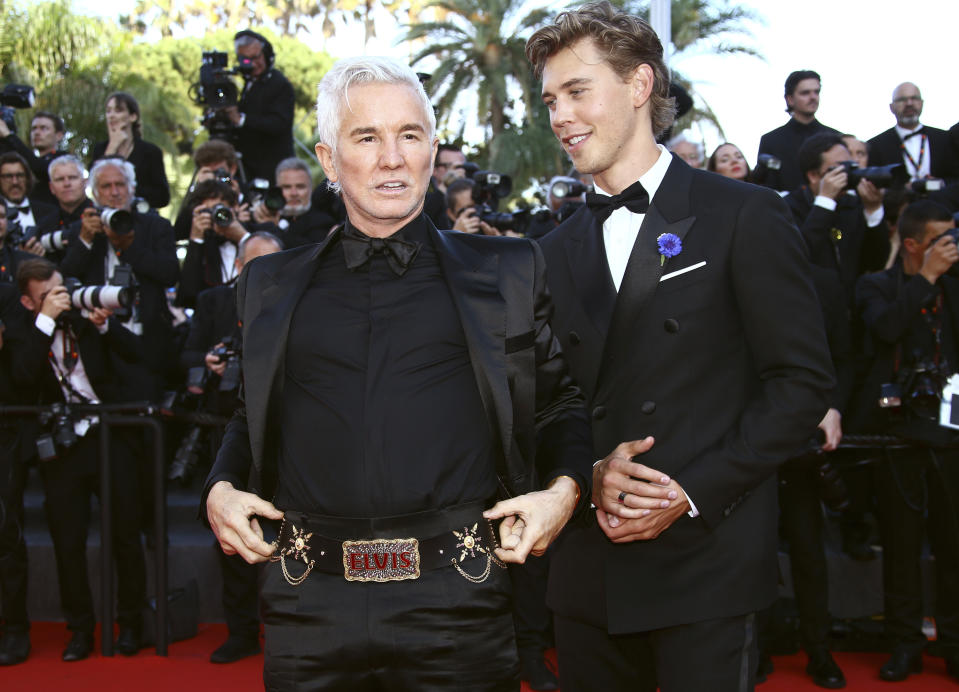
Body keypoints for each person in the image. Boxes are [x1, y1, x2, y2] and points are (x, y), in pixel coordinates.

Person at [204, 55, 594, 691]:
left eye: (409, 135)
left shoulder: (507, 272)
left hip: (459, 601)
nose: (392, 157)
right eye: (367, 137)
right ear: (329, 162)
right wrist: (219, 488)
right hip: (308, 603)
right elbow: (251, 416)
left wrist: (565, 490)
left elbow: (558, 404)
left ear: (432, 150)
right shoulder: (268, 286)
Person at [526, 4, 835, 690]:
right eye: (550, 99)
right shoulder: (546, 253)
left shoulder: (743, 215)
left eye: (577, 91)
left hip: (706, 566)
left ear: (639, 86)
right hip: (586, 573)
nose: (559, 116)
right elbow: (540, 403)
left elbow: (798, 383)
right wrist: (587, 471)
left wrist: (690, 492)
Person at [8, 257, 148, 661]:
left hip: (108, 437)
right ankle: (80, 629)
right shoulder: (24, 334)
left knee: (125, 534)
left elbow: (138, 354)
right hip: (60, 445)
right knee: (67, 542)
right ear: (28, 302)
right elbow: (21, 379)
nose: (59, 298)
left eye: (60, 288)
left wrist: (105, 324)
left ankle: (132, 624)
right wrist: (45, 324)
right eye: (47, 295)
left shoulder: (86, 319)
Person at [853, 200, 959, 683]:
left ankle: (954, 643)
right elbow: (886, 328)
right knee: (901, 548)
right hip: (897, 439)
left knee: (953, 547)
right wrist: (926, 279)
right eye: (941, 239)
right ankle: (904, 642)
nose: (951, 246)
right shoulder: (878, 284)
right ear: (914, 244)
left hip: (951, 439)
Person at [180, 231, 284, 664]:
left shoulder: (304, 300)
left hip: (288, 438)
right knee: (232, 540)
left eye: (274, 263)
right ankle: (241, 631)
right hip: (228, 431)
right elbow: (183, 355)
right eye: (255, 263)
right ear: (239, 265)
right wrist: (205, 361)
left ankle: (288, 630)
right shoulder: (213, 303)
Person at [784, 133, 889, 305]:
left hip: (852, 312)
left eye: (851, 167)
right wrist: (825, 202)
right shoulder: (789, 208)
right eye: (840, 169)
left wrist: (873, 209)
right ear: (813, 175)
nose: (848, 174)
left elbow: (876, 261)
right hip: (813, 309)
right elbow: (798, 258)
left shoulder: (853, 204)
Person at [225, 30, 295, 184]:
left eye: (256, 57)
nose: (253, 64)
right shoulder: (249, 84)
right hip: (247, 169)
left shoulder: (279, 84)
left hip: (271, 172)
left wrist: (242, 119)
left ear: (267, 55)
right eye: (246, 59)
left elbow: (279, 123)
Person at [757, 70, 839, 192]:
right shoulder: (771, 140)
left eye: (816, 92)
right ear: (790, 99)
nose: (813, 97)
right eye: (805, 93)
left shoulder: (836, 138)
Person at [90, 92, 170, 209]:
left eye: (118, 111)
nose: (111, 116)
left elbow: (162, 197)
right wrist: (112, 147)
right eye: (108, 111)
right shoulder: (100, 149)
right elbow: (93, 185)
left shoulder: (150, 152)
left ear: (133, 116)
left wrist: (127, 189)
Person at [867, 82, 959, 185]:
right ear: (891, 107)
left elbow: (955, 177)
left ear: (922, 103)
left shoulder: (945, 139)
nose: (909, 103)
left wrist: (937, 184)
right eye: (902, 100)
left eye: (914, 98)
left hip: (941, 199)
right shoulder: (876, 145)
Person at [251, 157, 336, 247]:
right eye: (287, 187)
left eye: (300, 187)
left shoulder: (322, 222)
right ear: (276, 189)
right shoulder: (262, 214)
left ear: (311, 189)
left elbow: (307, 252)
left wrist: (272, 228)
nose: (293, 193)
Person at [0, 111, 67, 206]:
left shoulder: (64, 159)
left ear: (59, 135)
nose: (37, 133)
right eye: (34, 129)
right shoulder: (30, 159)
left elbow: (39, 168)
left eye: (44, 128)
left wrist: (8, 135)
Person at [0, 152, 55, 243]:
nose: (15, 182)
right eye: (8, 176)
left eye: (20, 175)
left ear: (28, 178)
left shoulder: (51, 213)